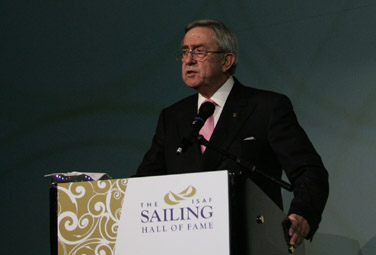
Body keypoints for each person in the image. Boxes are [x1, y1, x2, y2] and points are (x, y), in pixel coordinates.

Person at [136, 19, 329, 249]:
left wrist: (302, 215)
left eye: (199, 51)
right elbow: (144, 184)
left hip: (250, 241)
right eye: (185, 51)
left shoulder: (266, 107)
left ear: (226, 60)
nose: (188, 59)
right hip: (184, 245)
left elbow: (309, 171)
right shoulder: (173, 117)